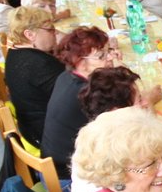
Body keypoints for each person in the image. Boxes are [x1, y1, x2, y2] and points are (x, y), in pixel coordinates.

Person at [41, 27, 119, 181]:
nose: (110, 57)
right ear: (81, 63)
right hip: (69, 177)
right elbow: (125, 120)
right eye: (102, 55)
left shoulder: (66, 76)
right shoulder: (87, 93)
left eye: (108, 51)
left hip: (52, 165)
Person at [4, 7, 64, 148]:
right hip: (49, 136)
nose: (55, 32)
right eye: (50, 29)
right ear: (30, 34)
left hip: (30, 128)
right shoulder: (40, 64)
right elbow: (76, 97)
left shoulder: (15, 53)